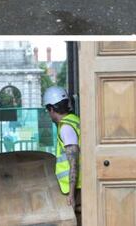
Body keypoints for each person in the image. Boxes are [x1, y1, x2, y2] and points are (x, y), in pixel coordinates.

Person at [43, 86, 81, 224]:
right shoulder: (74, 120)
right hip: (78, 185)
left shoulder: (66, 128)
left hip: (77, 188)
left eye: (48, 110)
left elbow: (73, 162)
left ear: (52, 109)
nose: (48, 114)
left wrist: (71, 194)